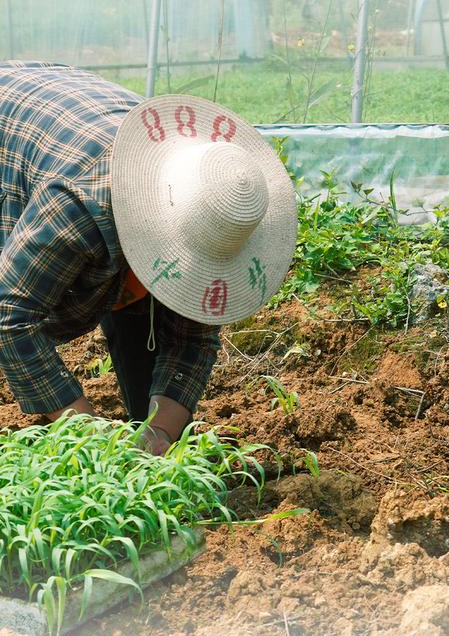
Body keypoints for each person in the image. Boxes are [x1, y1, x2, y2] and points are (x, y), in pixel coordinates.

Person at [0, 61, 297, 454]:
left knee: (151, 306)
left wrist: (156, 438)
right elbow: (10, 312)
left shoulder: (209, 202)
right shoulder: (82, 204)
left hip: (74, 128)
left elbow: (193, 339)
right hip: (20, 122)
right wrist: (88, 441)